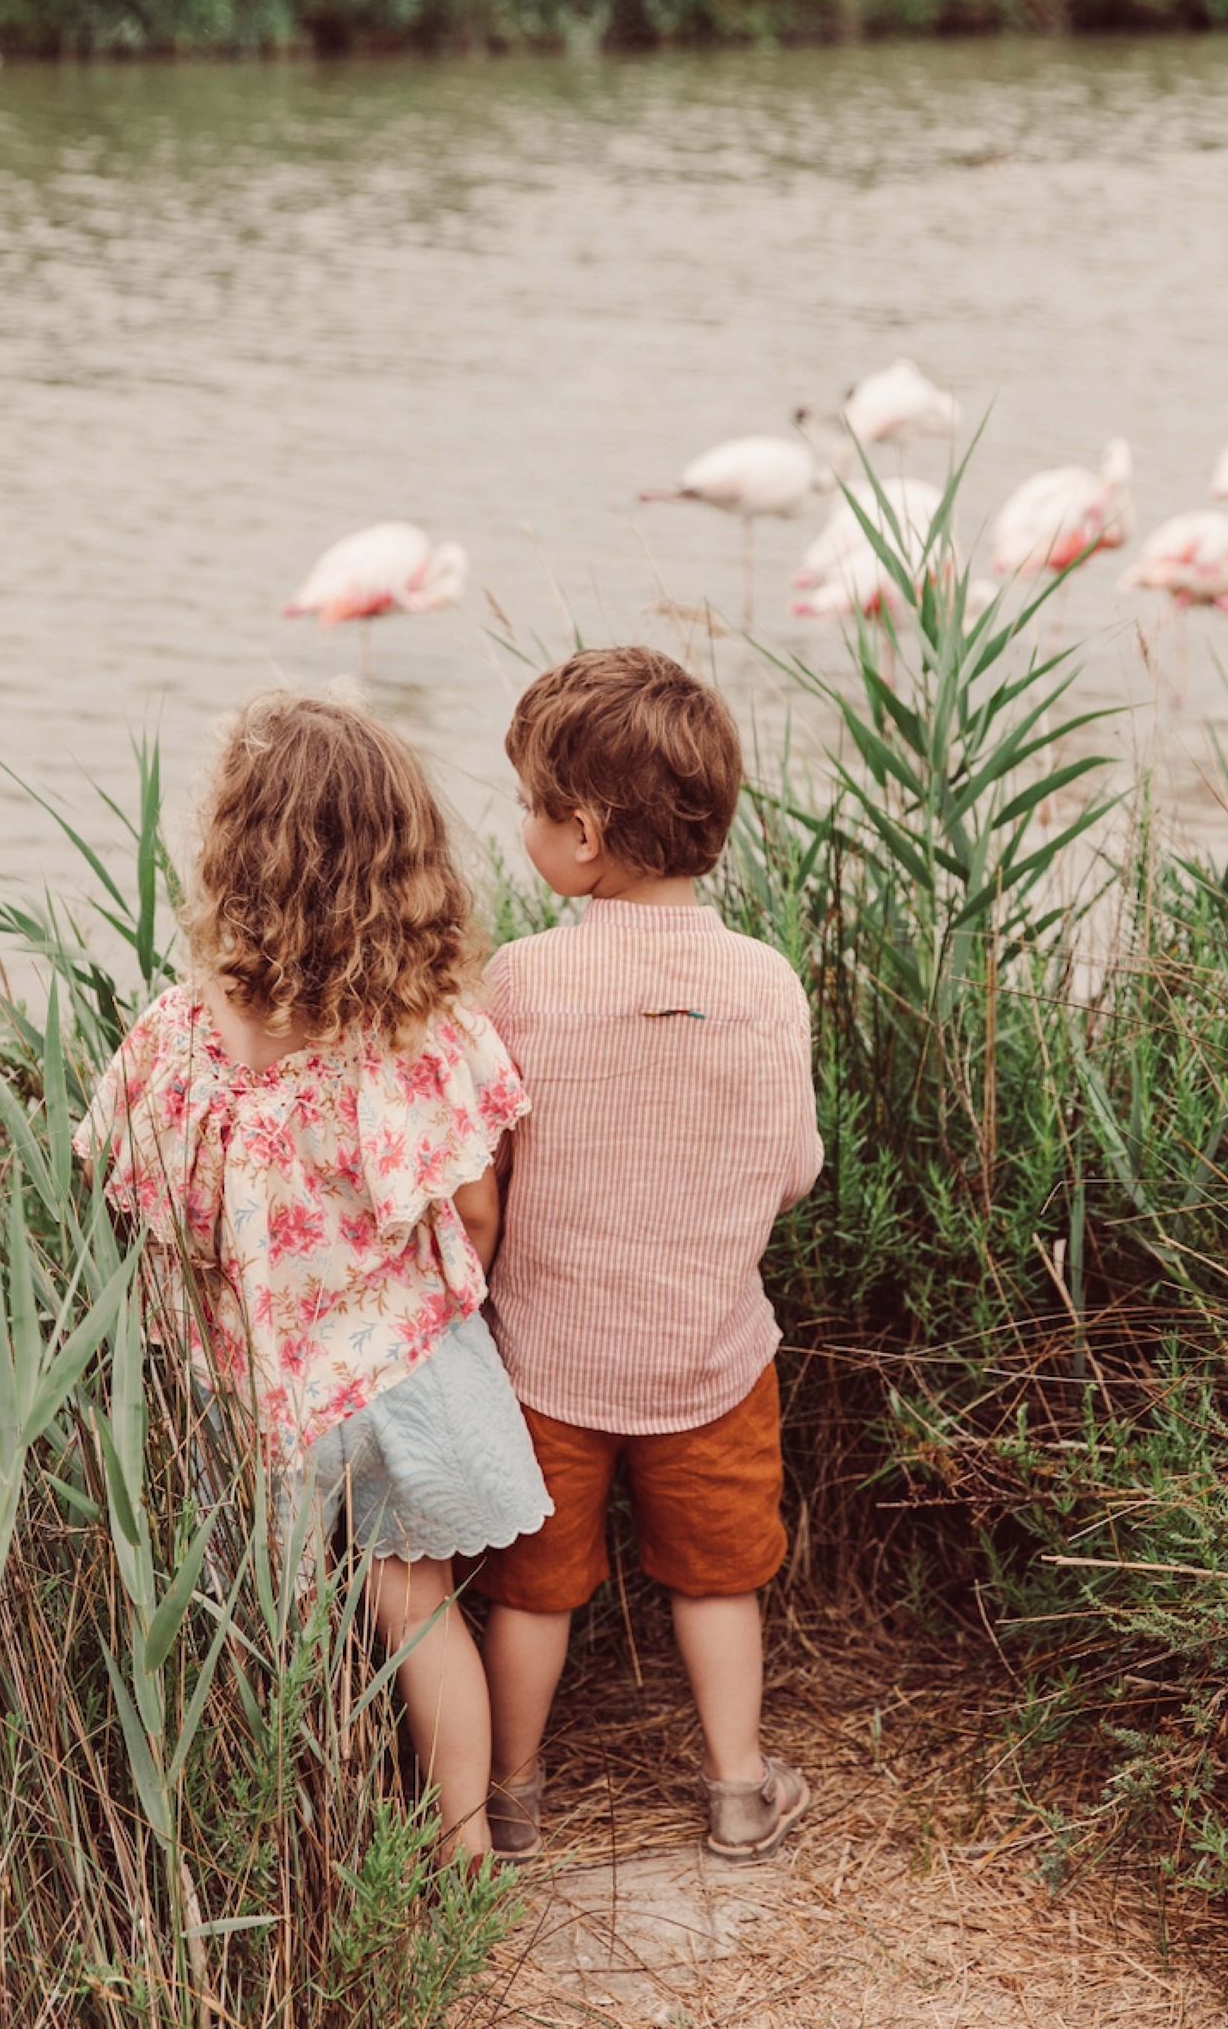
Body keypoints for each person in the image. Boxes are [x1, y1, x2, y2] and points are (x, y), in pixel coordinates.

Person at [73, 688, 552, 1862]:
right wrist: (449, 1297)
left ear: (232, 851)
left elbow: (112, 1188)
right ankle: (462, 1847)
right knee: (415, 1604)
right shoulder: (424, 1034)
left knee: (281, 1625)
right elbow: (476, 1197)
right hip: (394, 1365)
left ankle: (321, 1842)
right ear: (406, 865)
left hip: (246, 1388)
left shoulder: (174, 1037)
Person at [475, 646, 823, 1864]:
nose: (522, 823)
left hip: (542, 1364)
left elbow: (489, 1167)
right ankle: (736, 1789)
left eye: (528, 803)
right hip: (710, 1356)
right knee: (717, 1576)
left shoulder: (520, 981)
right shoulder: (765, 984)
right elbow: (793, 1167)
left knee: (532, 1589)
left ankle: (510, 1793)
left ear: (578, 835)